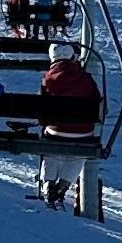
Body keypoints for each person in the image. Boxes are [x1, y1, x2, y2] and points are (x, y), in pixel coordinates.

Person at [37, 48, 103, 208]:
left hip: (56, 130)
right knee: (77, 155)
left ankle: (48, 184)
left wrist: (45, 122)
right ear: (72, 58)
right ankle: (63, 186)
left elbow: (40, 108)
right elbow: (99, 103)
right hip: (84, 131)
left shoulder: (49, 78)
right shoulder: (85, 78)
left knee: (51, 152)